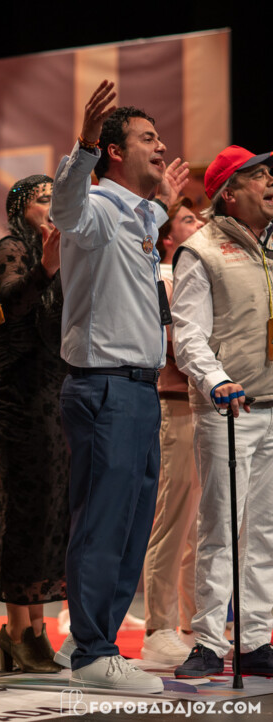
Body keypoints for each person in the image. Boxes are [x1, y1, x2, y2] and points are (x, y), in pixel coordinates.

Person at [50, 80, 189, 692]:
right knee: (104, 522)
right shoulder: (96, 209)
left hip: (137, 388)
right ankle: (92, 651)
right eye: (148, 138)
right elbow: (64, 208)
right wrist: (82, 143)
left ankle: (90, 638)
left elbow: (147, 217)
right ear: (113, 151)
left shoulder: (138, 215)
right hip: (104, 386)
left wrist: (164, 202)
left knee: (130, 524)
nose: (161, 147)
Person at [172, 145, 273, 678]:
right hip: (228, 409)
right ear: (228, 193)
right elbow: (188, 335)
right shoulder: (201, 249)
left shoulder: (272, 246)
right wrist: (217, 383)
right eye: (257, 176)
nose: (270, 182)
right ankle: (209, 642)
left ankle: (255, 641)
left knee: (264, 531)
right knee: (220, 527)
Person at [0, 174, 69, 674]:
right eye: (42, 199)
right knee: (24, 512)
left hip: (55, 393)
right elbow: (10, 306)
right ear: (20, 210)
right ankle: (17, 629)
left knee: (51, 514)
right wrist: (47, 268)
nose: (52, 206)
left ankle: (37, 629)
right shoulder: (10, 249)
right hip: (18, 398)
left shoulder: (59, 252)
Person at [141, 198, 204, 666]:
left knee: (202, 524)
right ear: (167, 236)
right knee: (173, 519)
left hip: (207, 406)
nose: (198, 223)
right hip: (176, 403)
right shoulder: (162, 275)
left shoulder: (196, 273)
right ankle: (158, 625)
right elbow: (171, 341)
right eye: (187, 219)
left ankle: (194, 621)